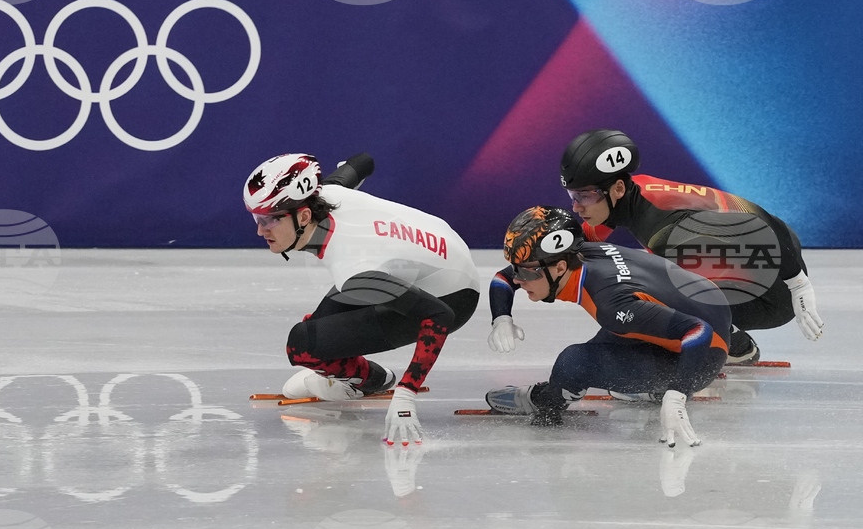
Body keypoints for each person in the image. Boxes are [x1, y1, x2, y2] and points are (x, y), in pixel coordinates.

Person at [244, 153, 480, 446]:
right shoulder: (329, 192)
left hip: (454, 296)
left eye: (267, 219)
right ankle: (353, 375)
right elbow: (362, 162)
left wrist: (407, 392)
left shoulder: (354, 267)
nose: (259, 229)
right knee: (317, 331)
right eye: (256, 217)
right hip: (435, 255)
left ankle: (369, 382)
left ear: (304, 216)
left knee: (302, 347)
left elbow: (439, 315)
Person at [559, 129, 823, 364]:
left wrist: (798, 283)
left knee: (649, 289)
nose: (576, 206)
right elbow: (577, 247)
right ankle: (733, 340)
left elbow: (761, 220)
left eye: (584, 196)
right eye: (573, 196)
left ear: (616, 189)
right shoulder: (629, 192)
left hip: (774, 294)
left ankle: (728, 343)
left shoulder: (666, 226)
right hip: (765, 258)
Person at [485, 206, 731, 446]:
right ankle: (649, 384)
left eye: (526, 273)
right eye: (517, 268)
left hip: (702, 355)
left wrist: (678, 394)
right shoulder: (580, 253)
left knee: (574, 363)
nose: (518, 279)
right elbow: (503, 278)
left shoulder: (611, 303)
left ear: (560, 268)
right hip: (708, 308)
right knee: (617, 330)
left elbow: (698, 330)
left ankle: (548, 399)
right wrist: (502, 317)